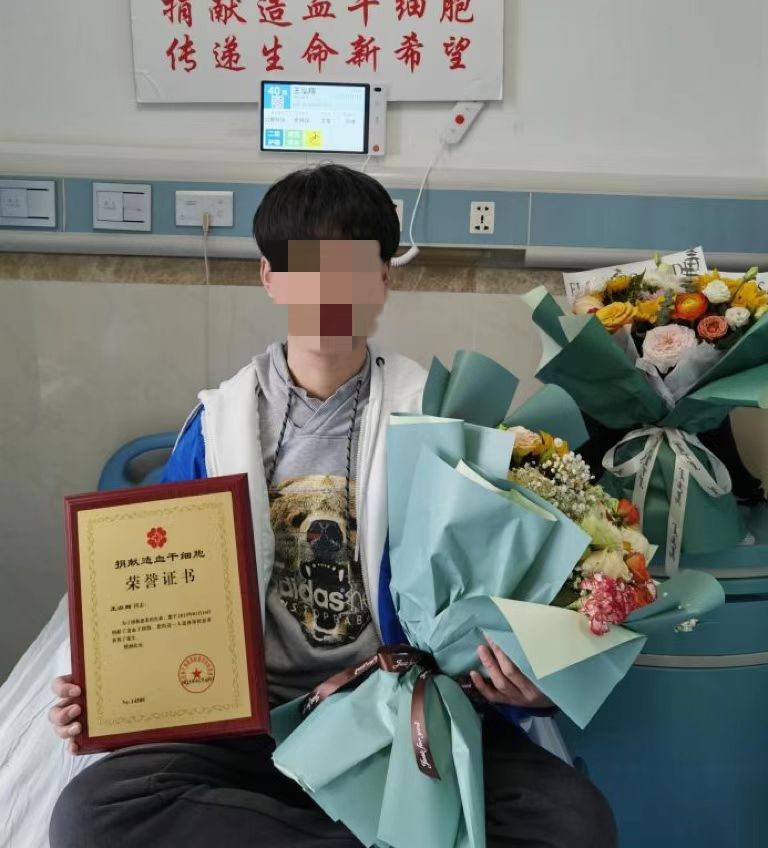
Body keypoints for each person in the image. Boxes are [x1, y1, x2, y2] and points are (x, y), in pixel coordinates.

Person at [42, 165, 617, 847]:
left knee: (573, 821)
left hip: (408, 713)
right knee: (93, 814)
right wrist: (111, 690)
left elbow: (504, 587)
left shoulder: (440, 416)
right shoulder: (216, 427)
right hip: (253, 726)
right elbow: (164, 594)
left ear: (383, 279)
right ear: (270, 277)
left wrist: (531, 678)